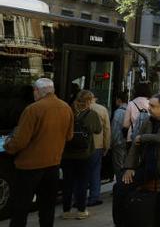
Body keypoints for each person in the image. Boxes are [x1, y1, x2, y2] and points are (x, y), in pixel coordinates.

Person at [5, 78, 74, 227]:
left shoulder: (33, 109)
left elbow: (21, 140)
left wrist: (8, 146)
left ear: (37, 91)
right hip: (53, 164)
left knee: (20, 206)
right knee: (47, 206)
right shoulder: (66, 107)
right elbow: (69, 136)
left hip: (29, 166)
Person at [113, 93, 160, 227]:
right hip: (148, 165)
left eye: (153, 106)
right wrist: (130, 167)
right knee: (120, 187)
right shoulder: (148, 120)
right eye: (149, 105)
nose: (149, 108)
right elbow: (136, 145)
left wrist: (143, 137)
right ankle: (121, 222)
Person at [60, 90, 102, 220]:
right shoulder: (92, 114)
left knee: (67, 182)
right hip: (84, 154)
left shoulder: (67, 111)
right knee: (82, 183)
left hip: (66, 153)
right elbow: (98, 130)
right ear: (89, 101)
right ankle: (81, 210)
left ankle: (66, 211)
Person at [86, 94, 111, 207]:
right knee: (95, 172)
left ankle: (78, 198)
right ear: (94, 99)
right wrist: (106, 146)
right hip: (97, 145)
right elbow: (106, 129)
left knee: (80, 173)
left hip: (79, 147)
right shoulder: (101, 109)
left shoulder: (76, 107)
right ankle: (94, 197)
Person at [109, 92, 129, 181]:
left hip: (119, 143)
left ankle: (120, 187)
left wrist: (111, 144)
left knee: (119, 167)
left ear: (119, 100)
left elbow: (115, 131)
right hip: (128, 143)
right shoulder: (130, 109)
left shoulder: (118, 112)